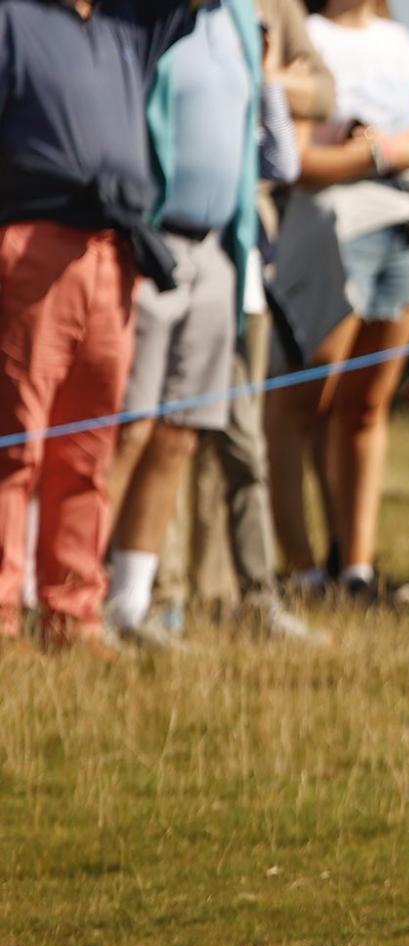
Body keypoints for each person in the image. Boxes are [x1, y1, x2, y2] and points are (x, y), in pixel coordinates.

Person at [0, 0, 197, 652]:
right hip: (31, 246)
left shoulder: (129, 23)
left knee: (87, 450)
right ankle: (2, 612)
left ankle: (72, 612)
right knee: (14, 444)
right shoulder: (12, 17)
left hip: (112, 255)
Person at [153, 0, 333, 644]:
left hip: (237, 272)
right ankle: (163, 597)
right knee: (167, 438)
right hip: (169, 254)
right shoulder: (159, 21)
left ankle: (255, 596)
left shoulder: (247, 18)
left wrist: (270, 86)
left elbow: (282, 158)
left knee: (241, 445)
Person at [98, 0, 273, 650]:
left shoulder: (237, 21)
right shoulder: (138, 16)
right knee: (129, 430)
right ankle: (73, 594)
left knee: (179, 433)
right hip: (150, 247)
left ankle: (131, 605)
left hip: (218, 252)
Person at [293, 0, 409, 604]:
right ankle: (304, 569)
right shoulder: (309, 35)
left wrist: (389, 151)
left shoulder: (400, 42)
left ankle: (357, 567)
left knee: (369, 406)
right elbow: (301, 159)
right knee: (312, 400)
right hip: (334, 229)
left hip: (404, 224)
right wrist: (378, 151)